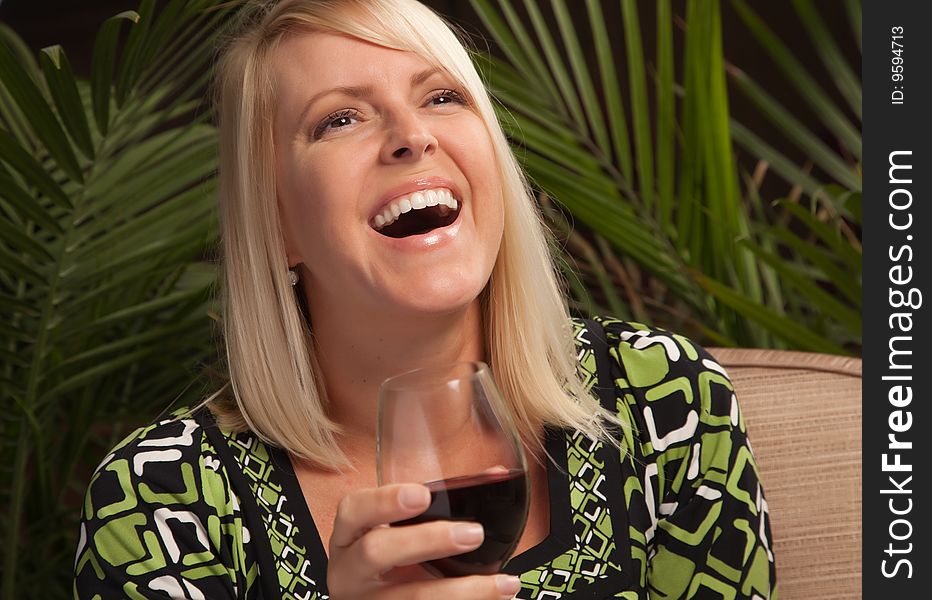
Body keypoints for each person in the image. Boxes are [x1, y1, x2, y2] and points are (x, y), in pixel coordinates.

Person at [74, 0, 777, 598]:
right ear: (276, 221)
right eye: (340, 120)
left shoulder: (661, 398)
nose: (413, 136)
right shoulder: (159, 499)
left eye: (442, 96)